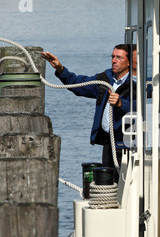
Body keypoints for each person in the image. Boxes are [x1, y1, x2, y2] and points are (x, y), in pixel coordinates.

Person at [41, 44, 136, 181]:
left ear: (128, 62)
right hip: (108, 142)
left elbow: (142, 107)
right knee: (109, 184)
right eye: (113, 57)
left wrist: (121, 103)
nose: (114, 60)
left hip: (127, 143)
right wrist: (60, 69)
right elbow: (78, 85)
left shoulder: (136, 83)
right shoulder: (104, 78)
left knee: (126, 182)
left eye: (119, 58)